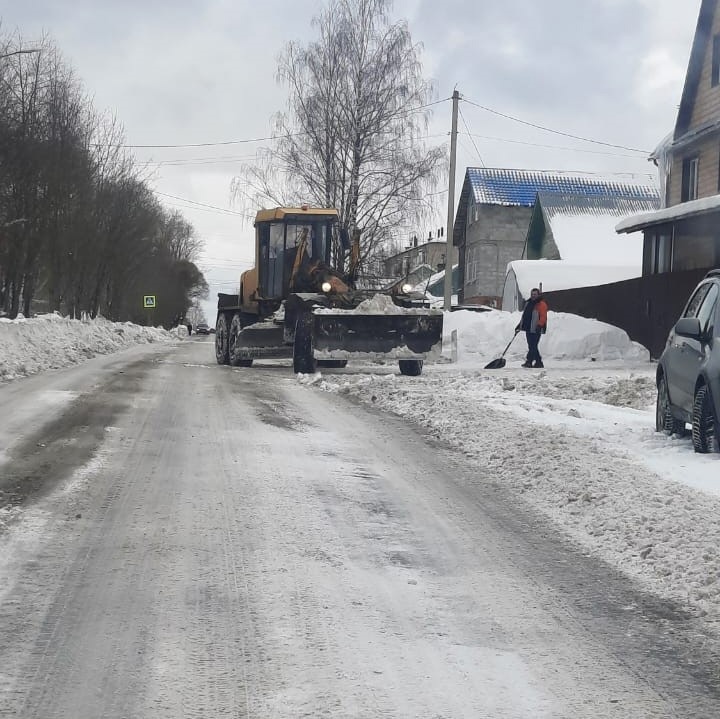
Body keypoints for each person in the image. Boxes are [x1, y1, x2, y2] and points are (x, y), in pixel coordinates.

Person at [515, 288, 548, 368]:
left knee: (533, 345)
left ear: (538, 295)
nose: (533, 296)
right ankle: (538, 362)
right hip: (528, 328)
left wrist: (540, 325)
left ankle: (529, 361)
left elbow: (543, 317)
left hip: (536, 328)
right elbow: (525, 316)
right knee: (532, 346)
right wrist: (520, 325)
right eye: (532, 294)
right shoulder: (528, 303)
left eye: (535, 294)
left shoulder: (541, 304)